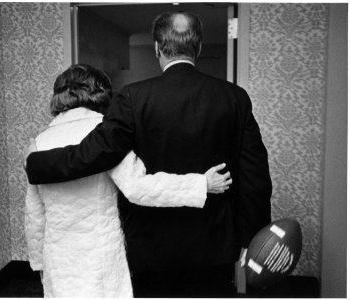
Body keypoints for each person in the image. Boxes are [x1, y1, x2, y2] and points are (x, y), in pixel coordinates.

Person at [25, 11, 272, 297]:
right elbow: (256, 177)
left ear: (157, 48)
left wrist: (36, 162)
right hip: (215, 243)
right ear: (199, 47)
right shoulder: (235, 98)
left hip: (152, 245)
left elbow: (94, 154)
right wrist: (253, 239)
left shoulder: (132, 98)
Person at [24, 64, 232, 297]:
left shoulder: (39, 143)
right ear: (99, 91)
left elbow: (34, 213)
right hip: (101, 253)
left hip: (57, 257)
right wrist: (200, 184)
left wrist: (39, 263)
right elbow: (138, 187)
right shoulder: (105, 134)